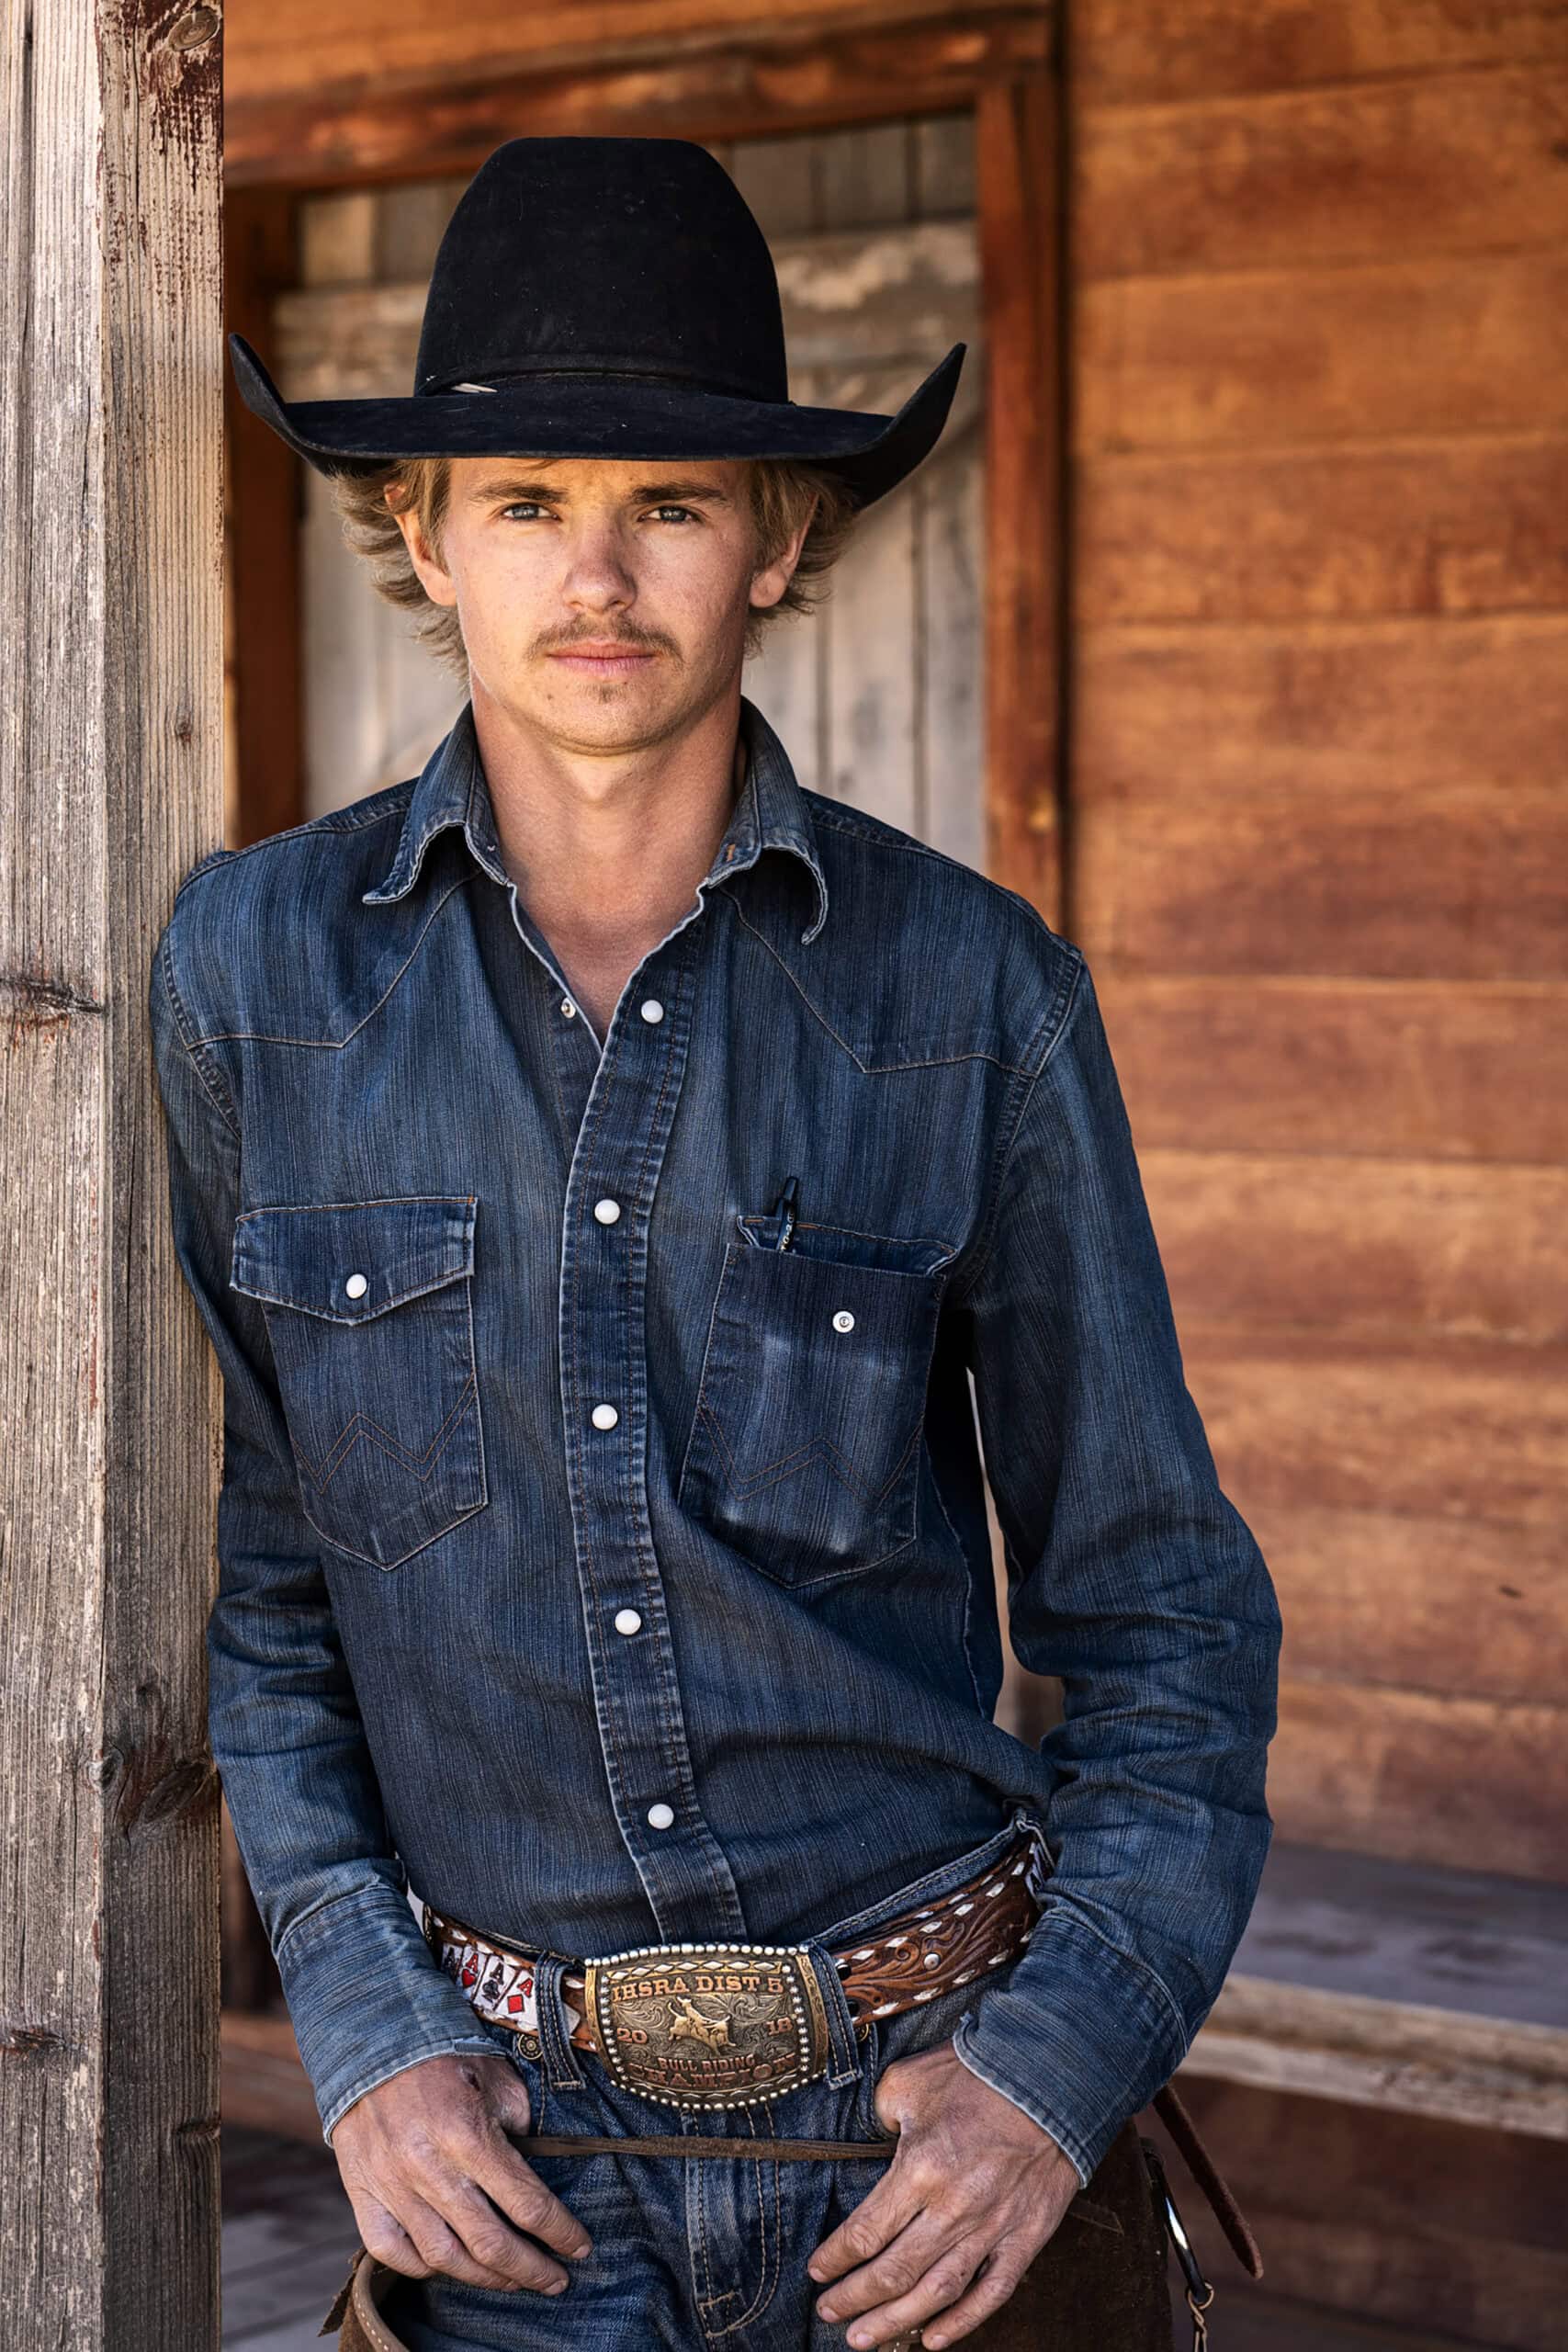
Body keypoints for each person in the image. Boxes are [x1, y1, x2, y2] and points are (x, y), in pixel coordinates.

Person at [152, 137, 1280, 2351]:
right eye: (526, 499)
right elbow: (270, 1596)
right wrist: (365, 2034)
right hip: (502, 2185)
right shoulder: (256, 975)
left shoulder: (972, 998)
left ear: (778, 538)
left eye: (668, 498)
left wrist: (1050, 2084)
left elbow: (1163, 1620)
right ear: (420, 536)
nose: (596, 572)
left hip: (923, 2167)